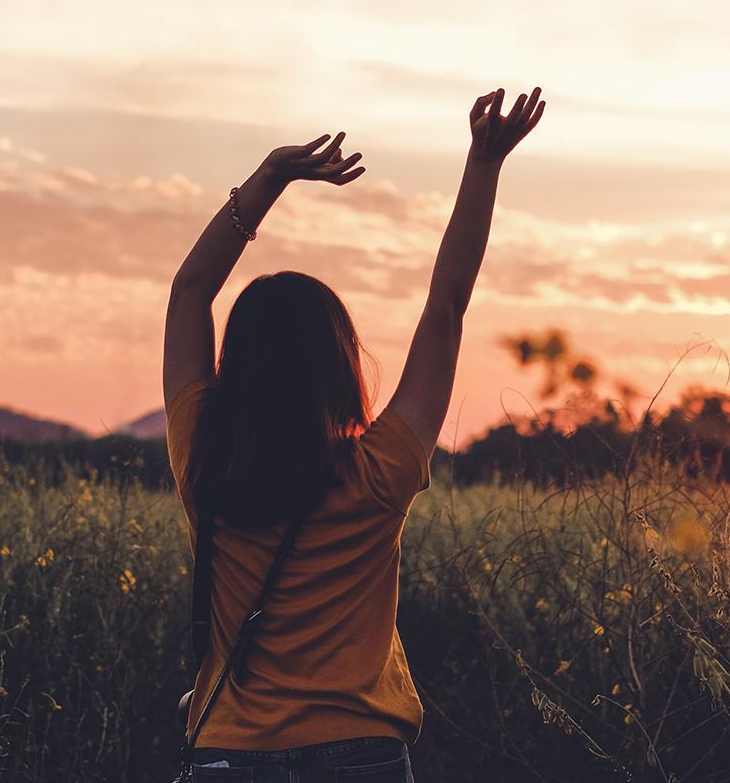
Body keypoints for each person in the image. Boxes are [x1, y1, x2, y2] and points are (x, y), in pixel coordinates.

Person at [164, 88, 545, 781]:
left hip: (231, 753)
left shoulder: (203, 458)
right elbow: (448, 306)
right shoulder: (380, 473)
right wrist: (482, 164)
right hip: (360, 753)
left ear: (236, 366)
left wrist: (272, 177)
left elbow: (190, 292)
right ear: (337, 366)